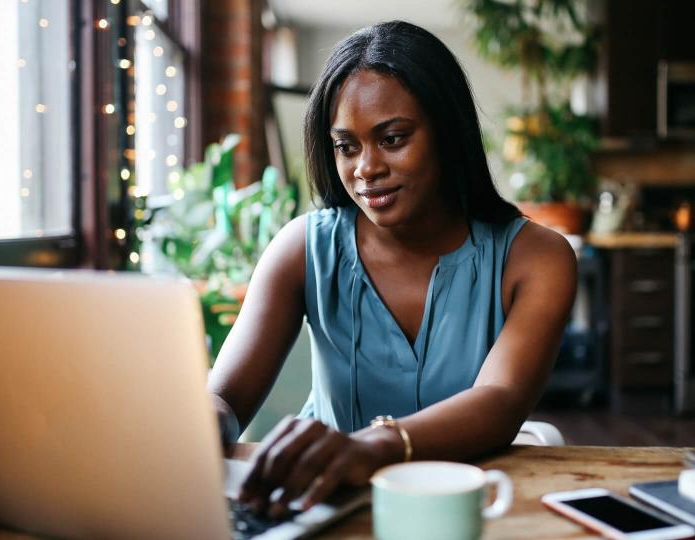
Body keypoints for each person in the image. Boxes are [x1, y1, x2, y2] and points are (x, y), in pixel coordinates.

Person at [207, 20, 577, 518]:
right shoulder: (302, 248)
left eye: (393, 138)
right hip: (323, 506)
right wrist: (203, 424)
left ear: (447, 133)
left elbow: (500, 399)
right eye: (347, 146)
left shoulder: (537, 258)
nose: (365, 168)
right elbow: (226, 397)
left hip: (464, 510)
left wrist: (370, 448)